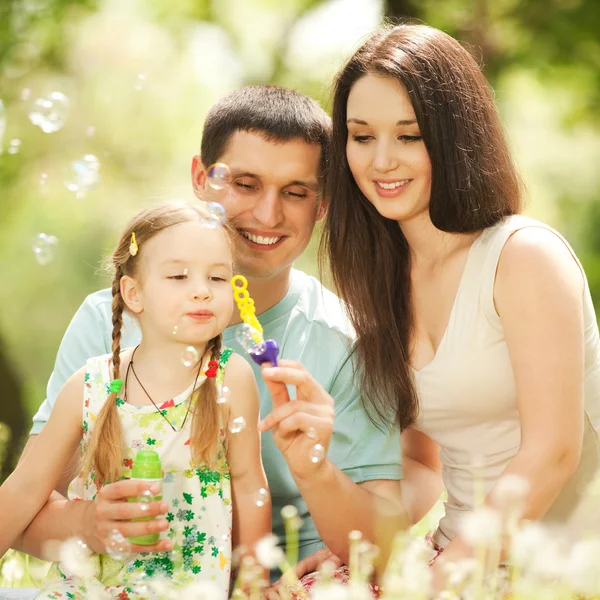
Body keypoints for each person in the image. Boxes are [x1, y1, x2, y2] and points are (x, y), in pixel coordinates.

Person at [13, 86, 405, 582]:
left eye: (295, 192)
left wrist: (316, 473)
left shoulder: (347, 343)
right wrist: (87, 523)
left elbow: (386, 549)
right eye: (245, 183)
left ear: (323, 204)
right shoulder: (105, 323)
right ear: (202, 177)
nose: (268, 215)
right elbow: (28, 506)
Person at [322, 22, 600, 577]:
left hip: (559, 563)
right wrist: (350, 553)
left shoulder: (523, 258)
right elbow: (419, 465)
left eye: (409, 135)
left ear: (453, 137)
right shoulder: (385, 282)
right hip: (455, 557)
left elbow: (553, 453)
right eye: (361, 136)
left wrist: (450, 579)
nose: (381, 161)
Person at [0, 200, 270, 598]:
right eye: (178, 276)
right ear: (133, 293)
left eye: (217, 278)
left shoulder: (232, 378)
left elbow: (250, 486)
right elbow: (23, 490)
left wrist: (254, 585)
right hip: (88, 588)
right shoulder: (89, 385)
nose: (201, 291)